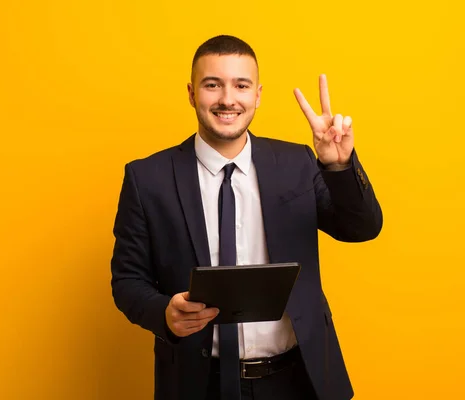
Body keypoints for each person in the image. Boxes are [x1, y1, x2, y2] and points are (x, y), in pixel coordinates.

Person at [110, 34, 383, 400]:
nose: (227, 99)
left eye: (241, 85)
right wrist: (164, 314)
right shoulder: (147, 179)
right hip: (196, 383)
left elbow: (362, 228)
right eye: (212, 85)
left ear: (257, 95)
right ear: (192, 93)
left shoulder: (297, 164)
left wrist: (339, 167)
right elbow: (127, 281)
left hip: (298, 380)